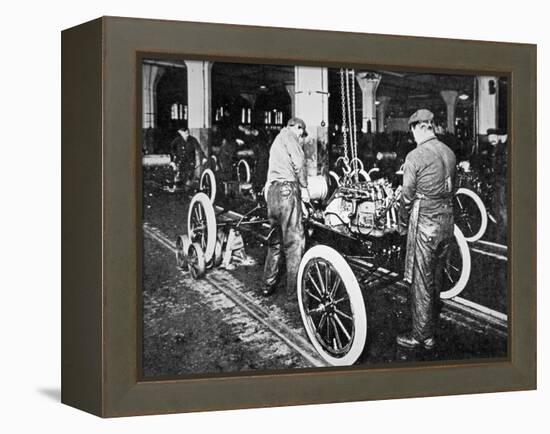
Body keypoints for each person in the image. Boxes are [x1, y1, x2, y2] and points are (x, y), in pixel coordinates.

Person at [397, 109, 456, 350]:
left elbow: (407, 195)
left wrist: (401, 224)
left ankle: (422, 336)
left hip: (426, 223)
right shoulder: (449, 152)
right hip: (447, 221)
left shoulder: (415, 155)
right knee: (436, 276)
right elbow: (454, 188)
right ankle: (430, 325)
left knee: (421, 280)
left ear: (417, 128)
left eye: (412, 131)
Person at [262, 117, 309, 300]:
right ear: (296, 127)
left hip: (272, 193)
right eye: (301, 132)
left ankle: (267, 285)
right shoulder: (290, 136)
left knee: (275, 241)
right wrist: (304, 186)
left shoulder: (277, 141)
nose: (301, 136)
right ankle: (294, 292)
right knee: (294, 242)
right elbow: (300, 162)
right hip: (287, 192)